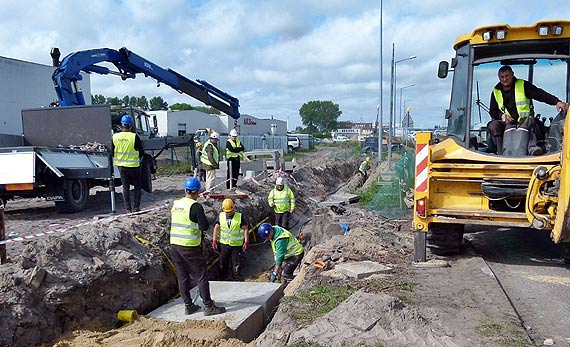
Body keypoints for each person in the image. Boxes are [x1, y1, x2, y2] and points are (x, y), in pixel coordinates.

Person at [169, 177, 226, 316]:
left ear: (185, 190)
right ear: (198, 192)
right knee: (200, 275)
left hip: (175, 246)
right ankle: (208, 305)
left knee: (182, 276)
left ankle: (188, 305)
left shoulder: (176, 204)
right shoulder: (195, 206)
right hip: (189, 247)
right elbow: (204, 226)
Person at [488, 65, 568, 155]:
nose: (504, 79)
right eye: (502, 77)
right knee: (493, 125)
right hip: (507, 123)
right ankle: (500, 152)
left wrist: (556, 102)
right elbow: (493, 111)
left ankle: (532, 148)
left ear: (512, 75)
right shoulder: (496, 91)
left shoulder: (523, 85)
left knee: (530, 121)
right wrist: (501, 116)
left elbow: (540, 94)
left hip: (524, 121)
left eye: (507, 76)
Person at [112, 114, 144, 213]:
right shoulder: (134, 137)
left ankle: (128, 209)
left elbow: (113, 151)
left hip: (122, 166)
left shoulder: (115, 136)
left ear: (122, 125)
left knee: (125, 187)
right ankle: (136, 207)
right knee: (137, 187)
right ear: (131, 125)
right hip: (134, 166)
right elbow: (141, 151)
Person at [212, 198, 249, 280]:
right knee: (223, 262)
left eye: (230, 211)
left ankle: (236, 278)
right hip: (224, 244)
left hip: (236, 245)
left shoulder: (239, 217)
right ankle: (223, 278)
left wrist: (246, 241)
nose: (228, 213)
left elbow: (245, 229)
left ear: (233, 208)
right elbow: (216, 228)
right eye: (227, 211)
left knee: (236, 263)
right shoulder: (221, 216)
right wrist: (214, 240)